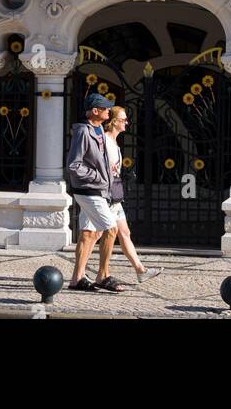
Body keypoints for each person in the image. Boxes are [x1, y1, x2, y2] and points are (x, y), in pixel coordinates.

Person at [66, 92, 125, 292]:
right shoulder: (83, 131)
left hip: (100, 191)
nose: (109, 110)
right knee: (111, 229)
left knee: (90, 233)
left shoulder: (99, 129)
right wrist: (98, 177)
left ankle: (77, 279)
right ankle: (103, 275)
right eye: (105, 108)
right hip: (89, 190)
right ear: (95, 111)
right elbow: (74, 165)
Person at [103, 107, 162, 285]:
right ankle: (90, 273)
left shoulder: (114, 142)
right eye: (123, 119)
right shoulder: (104, 140)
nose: (126, 123)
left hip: (115, 196)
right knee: (93, 236)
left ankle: (140, 270)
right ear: (113, 121)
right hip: (105, 195)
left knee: (124, 232)